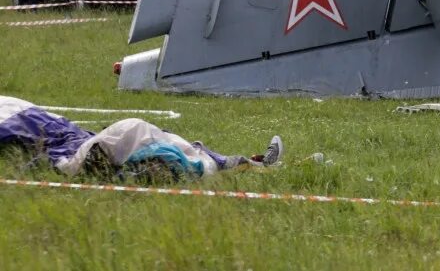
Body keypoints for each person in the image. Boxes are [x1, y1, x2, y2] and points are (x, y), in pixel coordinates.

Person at [0, 96, 283, 180]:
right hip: (80, 153)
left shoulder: (16, 110)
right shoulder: (13, 122)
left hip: (86, 144)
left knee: (161, 136)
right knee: (137, 130)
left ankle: (245, 163)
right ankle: (237, 164)